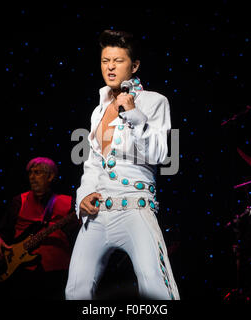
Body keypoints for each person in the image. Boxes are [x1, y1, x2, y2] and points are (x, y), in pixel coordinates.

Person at [65, 30, 180, 300]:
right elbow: (93, 162)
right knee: (76, 290)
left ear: (135, 65)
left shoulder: (154, 101)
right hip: (98, 213)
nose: (111, 67)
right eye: (105, 61)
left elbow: (161, 154)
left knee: (155, 287)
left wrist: (134, 114)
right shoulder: (98, 110)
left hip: (134, 207)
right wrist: (82, 196)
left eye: (118, 60)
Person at [0, 157, 79, 300]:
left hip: (56, 270)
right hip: (21, 270)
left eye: (37, 173)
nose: (32, 177)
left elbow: (77, 237)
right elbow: (4, 230)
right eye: (30, 173)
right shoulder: (19, 200)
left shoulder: (69, 202)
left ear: (50, 176)